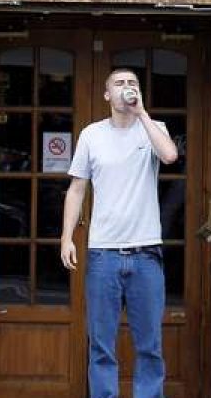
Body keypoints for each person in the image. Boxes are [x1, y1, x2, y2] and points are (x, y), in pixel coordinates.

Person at [61, 68, 179, 398]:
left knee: (150, 345)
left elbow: (170, 155)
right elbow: (77, 189)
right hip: (103, 254)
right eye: (119, 84)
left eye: (133, 83)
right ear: (106, 95)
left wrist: (141, 112)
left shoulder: (153, 129)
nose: (127, 88)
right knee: (101, 344)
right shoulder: (92, 135)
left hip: (146, 254)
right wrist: (66, 237)